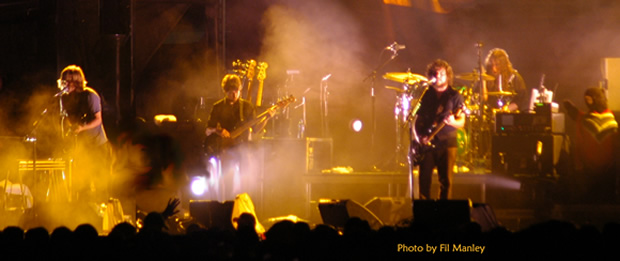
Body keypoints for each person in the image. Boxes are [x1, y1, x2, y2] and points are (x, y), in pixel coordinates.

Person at [204, 74, 271, 200]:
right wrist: (218, 131)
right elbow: (207, 130)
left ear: (240, 90)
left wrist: (267, 117)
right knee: (227, 181)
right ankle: (226, 205)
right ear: (225, 91)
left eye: (236, 91)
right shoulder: (218, 107)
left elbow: (256, 129)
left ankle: (244, 207)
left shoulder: (247, 106)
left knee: (246, 181)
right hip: (225, 149)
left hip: (243, 149)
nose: (234, 94)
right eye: (230, 92)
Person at [411, 59, 465, 200]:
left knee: (446, 181)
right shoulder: (425, 95)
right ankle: (424, 213)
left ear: (448, 76)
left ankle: (444, 213)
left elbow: (462, 122)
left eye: (442, 73)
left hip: (447, 144)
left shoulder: (454, 96)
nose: (438, 76)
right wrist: (419, 137)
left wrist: (453, 121)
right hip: (427, 144)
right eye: (435, 73)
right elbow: (417, 120)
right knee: (424, 181)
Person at [58, 65, 110, 203]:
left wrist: (82, 127)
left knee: (100, 183)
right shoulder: (65, 98)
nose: (64, 85)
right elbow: (68, 117)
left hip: (97, 145)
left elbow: (98, 120)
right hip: (82, 147)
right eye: (63, 81)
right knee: (82, 183)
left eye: (67, 81)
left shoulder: (90, 95)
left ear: (76, 82)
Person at [563, 87, 618, 202]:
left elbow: (579, 117)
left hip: (597, 169)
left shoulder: (590, 119)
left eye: (589, 99)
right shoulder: (610, 120)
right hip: (603, 169)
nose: (587, 101)